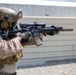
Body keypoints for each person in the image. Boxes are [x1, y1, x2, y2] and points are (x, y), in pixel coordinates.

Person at [0, 7, 43, 75]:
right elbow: (2, 50)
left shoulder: (8, 36)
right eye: (12, 24)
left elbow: (23, 42)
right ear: (3, 23)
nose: (14, 26)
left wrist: (39, 34)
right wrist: (21, 38)